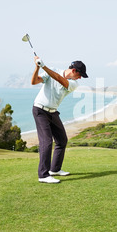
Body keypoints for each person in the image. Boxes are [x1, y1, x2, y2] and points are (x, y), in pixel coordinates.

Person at [31, 56, 88, 184]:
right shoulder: (53, 71)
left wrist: (44, 66)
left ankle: (55, 169)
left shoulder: (73, 83)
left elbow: (58, 78)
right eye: (80, 75)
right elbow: (34, 81)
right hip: (40, 110)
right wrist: (37, 67)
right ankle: (43, 175)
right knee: (46, 142)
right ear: (73, 70)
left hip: (53, 112)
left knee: (62, 140)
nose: (80, 78)